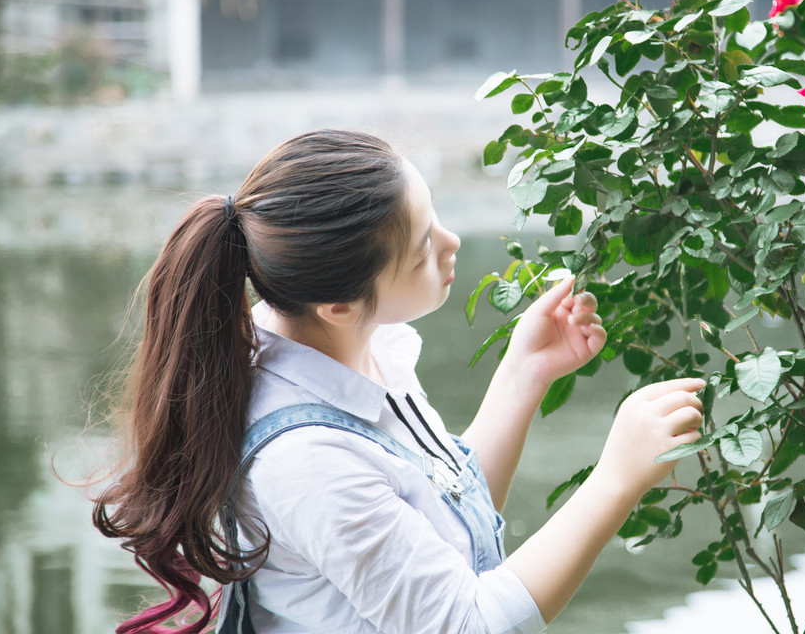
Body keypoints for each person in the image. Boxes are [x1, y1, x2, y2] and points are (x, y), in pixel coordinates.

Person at [92, 129, 705, 634]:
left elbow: (443, 519)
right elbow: (468, 625)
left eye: (434, 218)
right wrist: (616, 481)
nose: (451, 243)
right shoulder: (304, 459)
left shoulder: (347, 344)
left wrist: (525, 373)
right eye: (420, 249)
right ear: (338, 303)